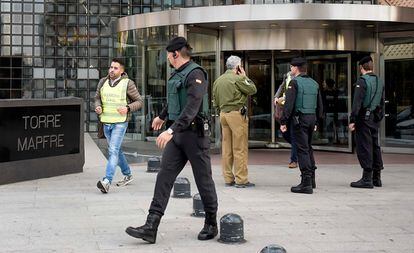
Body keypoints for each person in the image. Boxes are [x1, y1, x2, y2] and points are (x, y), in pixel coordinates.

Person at [125, 37, 218, 243]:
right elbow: (175, 100)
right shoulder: (177, 74)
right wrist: (162, 116)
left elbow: (192, 107)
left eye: (168, 54)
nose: (167, 58)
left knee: (203, 180)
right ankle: (151, 226)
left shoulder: (196, 73)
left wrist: (170, 131)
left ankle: (211, 222)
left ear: (176, 54)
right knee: (164, 177)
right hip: (177, 135)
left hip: (194, 136)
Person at [94, 58, 143, 193]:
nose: (111, 70)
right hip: (106, 121)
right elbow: (97, 98)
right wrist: (98, 107)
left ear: (122, 71)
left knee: (113, 150)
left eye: (115, 68)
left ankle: (106, 181)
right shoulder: (103, 82)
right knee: (117, 150)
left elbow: (139, 101)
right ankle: (127, 174)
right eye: (111, 67)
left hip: (120, 123)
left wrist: (127, 108)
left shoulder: (128, 83)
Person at [280, 57, 323, 194]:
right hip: (311, 119)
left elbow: (289, 105)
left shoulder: (294, 83)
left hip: (299, 120)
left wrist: (283, 122)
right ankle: (312, 179)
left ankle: (305, 183)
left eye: (292, 67)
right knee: (308, 148)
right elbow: (320, 105)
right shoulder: (314, 83)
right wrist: (317, 121)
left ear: (296, 68)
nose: (290, 69)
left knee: (302, 150)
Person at [213, 55, 257, 188]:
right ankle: (241, 179)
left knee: (227, 148)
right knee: (240, 147)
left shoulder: (218, 80)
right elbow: (252, 89)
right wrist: (244, 76)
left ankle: (228, 178)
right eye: (241, 65)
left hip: (223, 114)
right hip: (236, 114)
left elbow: (215, 99)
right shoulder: (238, 78)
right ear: (238, 67)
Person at [349, 56, 385, 188]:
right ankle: (377, 178)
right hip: (374, 117)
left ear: (361, 67)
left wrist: (353, 119)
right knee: (375, 146)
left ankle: (367, 178)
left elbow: (357, 102)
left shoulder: (362, 81)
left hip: (363, 117)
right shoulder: (379, 81)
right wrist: (378, 116)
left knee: (364, 147)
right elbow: (381, 102)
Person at [274, 71, 298, 168]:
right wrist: (276, 97)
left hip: (294, 111)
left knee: (293, 135)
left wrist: (283, 98)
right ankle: (298, 147)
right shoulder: (287, 76)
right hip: (285, 110)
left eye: (293, 66)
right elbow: (282, 86)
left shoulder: (298, 79)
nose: (291, 68)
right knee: (285, 134)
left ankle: (294, 160)